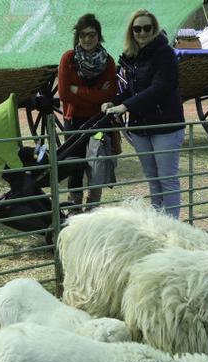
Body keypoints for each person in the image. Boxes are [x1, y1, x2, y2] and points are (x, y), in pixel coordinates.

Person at [104, 9, 185, 219]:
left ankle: (173, 226)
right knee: (153, 179)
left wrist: (127, 106)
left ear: (154, 29)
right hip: (141, 127)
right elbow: (134, 88)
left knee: (167, 179)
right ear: (132, 31)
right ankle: (158, 224)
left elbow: (162, 86)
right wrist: (116, 101)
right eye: (137, 28)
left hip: (165, 126)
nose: (142, 33)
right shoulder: (133, 56)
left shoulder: (164, 53)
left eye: (146, 28)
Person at [57, 13, 118, 212]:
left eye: (91, 34)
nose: (87, 39)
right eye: (83, 35)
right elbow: (64, 93)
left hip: (99, 122)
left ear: (98, 36)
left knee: (97, 164)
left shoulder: (107, 61)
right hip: (74, 121)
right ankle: (73, 208)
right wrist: (96, 94)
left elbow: (110, 93)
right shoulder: (68, 59)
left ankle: (92, 209)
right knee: (75, 165)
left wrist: (79, 90)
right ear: (78, 37)